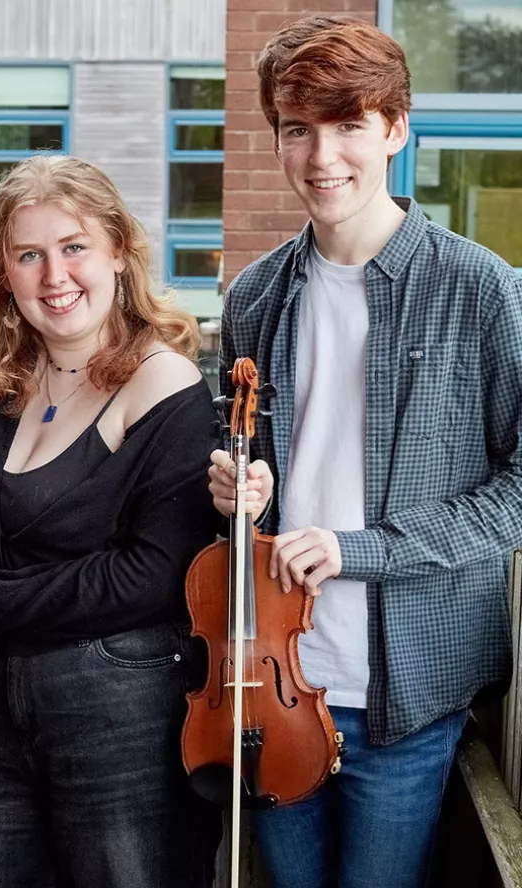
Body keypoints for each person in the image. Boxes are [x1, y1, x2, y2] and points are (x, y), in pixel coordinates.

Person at [209, 15, 522, 888]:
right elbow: (248, 455)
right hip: (272, 678)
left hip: (409, 693)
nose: (321, 157)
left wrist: (360, 551)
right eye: (298, 129)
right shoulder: (257, 296)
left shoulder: (486, 292)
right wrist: (240, 485)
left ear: (395, 129)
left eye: (349, 125)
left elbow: (520, 491)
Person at [0, 155, 223, 888]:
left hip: (124, 703)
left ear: (118, 251)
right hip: (3, 697)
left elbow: (153, 575)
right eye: (29, 255)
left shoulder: (167, 384)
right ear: (4, 274)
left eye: (74, 248)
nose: (54, 275)